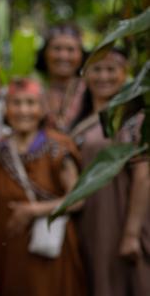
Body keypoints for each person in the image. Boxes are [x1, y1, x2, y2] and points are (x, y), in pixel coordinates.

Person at [0, 78, 86, 296]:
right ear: (6, 109)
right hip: (9, 250)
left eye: (30, 103)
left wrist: (32, 211)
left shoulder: (58, 146)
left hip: (50, 248)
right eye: (16, 103)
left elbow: (78, 199)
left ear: (41, 109)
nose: (23, 110)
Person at [70, 49, 150, 296]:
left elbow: (144, 177)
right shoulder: (80, 121)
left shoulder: (134, 120)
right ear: (85, 75)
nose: (103, 76)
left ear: (124, 74)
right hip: (89, 222)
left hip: (121, 219)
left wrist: (131, 234)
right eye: (96, 69)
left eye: (110, 69)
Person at [35, 23, 87, 132]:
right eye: (57, 49)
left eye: (70, 50)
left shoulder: (91, 90)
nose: (63, 56)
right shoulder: (34, 89)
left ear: (81, 55)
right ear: (45, 53)